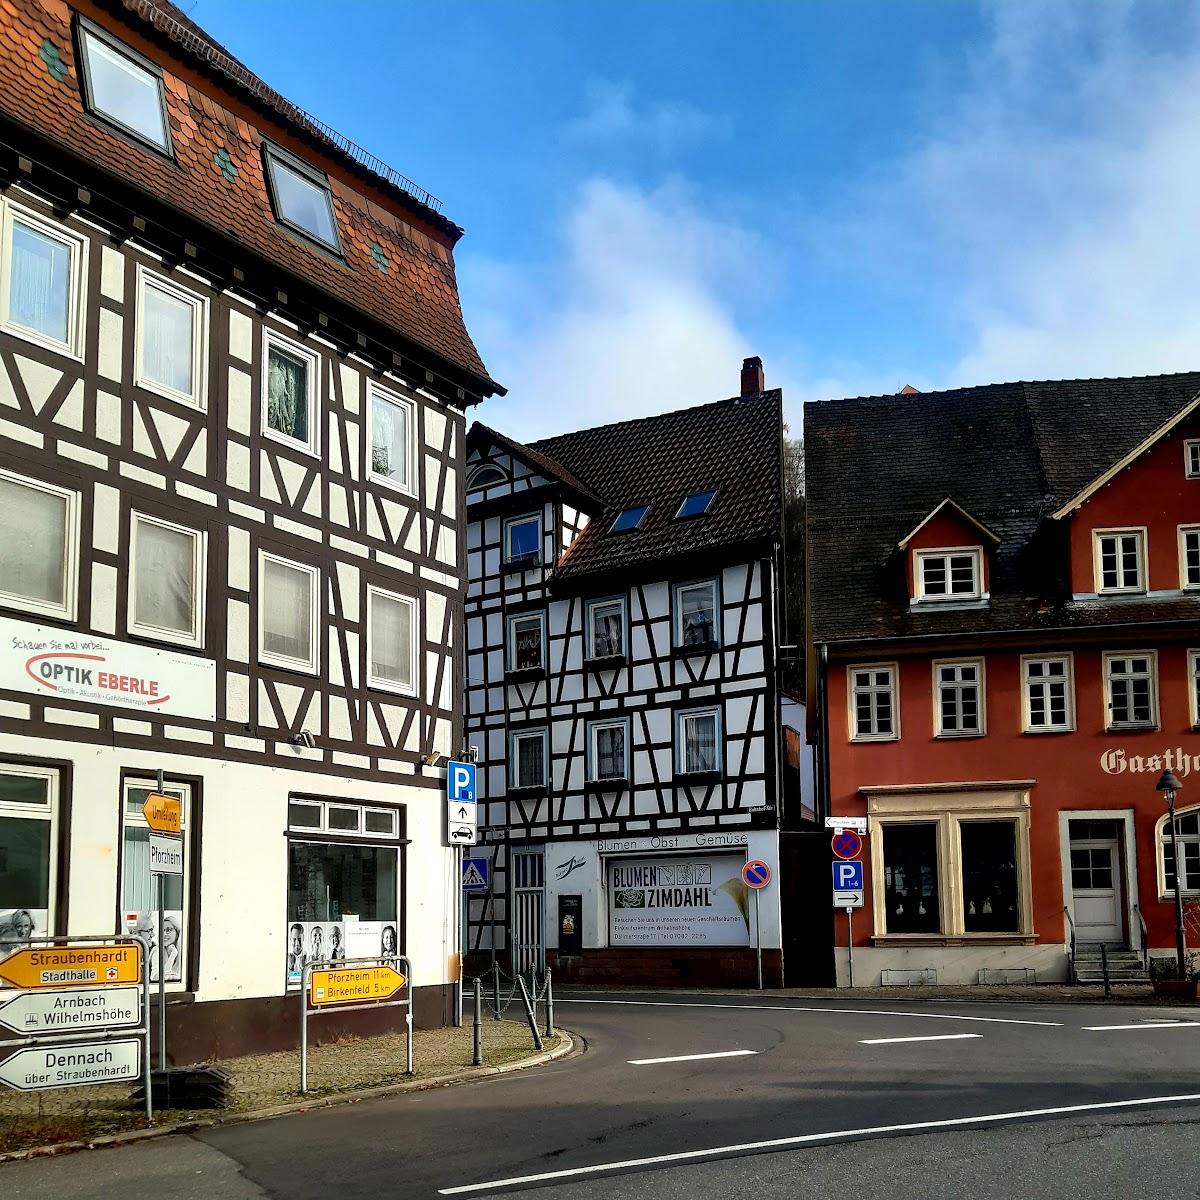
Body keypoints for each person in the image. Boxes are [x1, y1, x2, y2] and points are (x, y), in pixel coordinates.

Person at [160, 914, 182, 983]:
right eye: (162, 930)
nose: (164, 934)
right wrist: (173, 955)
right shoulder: (157, 951)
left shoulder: (183, 955)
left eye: (168, 930)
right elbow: (162, 977)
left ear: (177, 932)